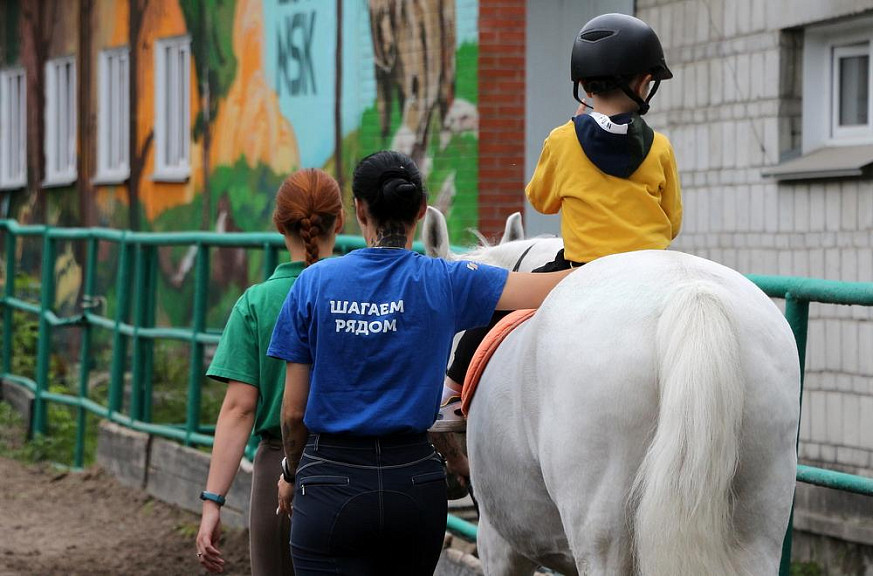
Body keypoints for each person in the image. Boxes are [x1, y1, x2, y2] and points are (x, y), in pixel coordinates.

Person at [267, 150, 572, 576]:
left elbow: (294, 412)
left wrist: (291, 472)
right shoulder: (448, 279)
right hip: (413, 486)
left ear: (358, 210)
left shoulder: (313, 283)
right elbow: (549, 289)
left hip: (329, 485)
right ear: (420, 212)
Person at [431, 13, 682, 436]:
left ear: (583, 86)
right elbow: (672, 223)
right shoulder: (659, 146)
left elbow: (541, 200)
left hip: (581, 273)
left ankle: (453, 392)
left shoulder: (562, 140)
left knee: (493, 307)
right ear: (642, 83)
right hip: (654, 272)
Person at [195, 169, 344, 575]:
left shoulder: (256, 303)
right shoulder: (360, 291)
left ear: (280, 224)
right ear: (341, 220)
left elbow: (239, 410)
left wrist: (212, 503)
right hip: (357, 466)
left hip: (279, 469)